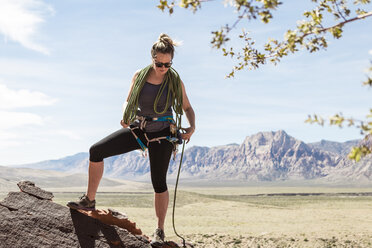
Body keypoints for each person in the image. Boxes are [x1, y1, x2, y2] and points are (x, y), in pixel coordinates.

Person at [67, 33, 195, 247]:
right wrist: (126, 116)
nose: (163, 67)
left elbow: (187, 107)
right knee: (96, 150)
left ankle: (159, 231)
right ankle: (89, 201)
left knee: (158, 181)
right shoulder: (139, 75)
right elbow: (128, 101)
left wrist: (192, 126)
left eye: (167, 63)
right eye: (159, 63)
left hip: (163, 132)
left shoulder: (174, 79)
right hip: (140, 129)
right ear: (152, 57)